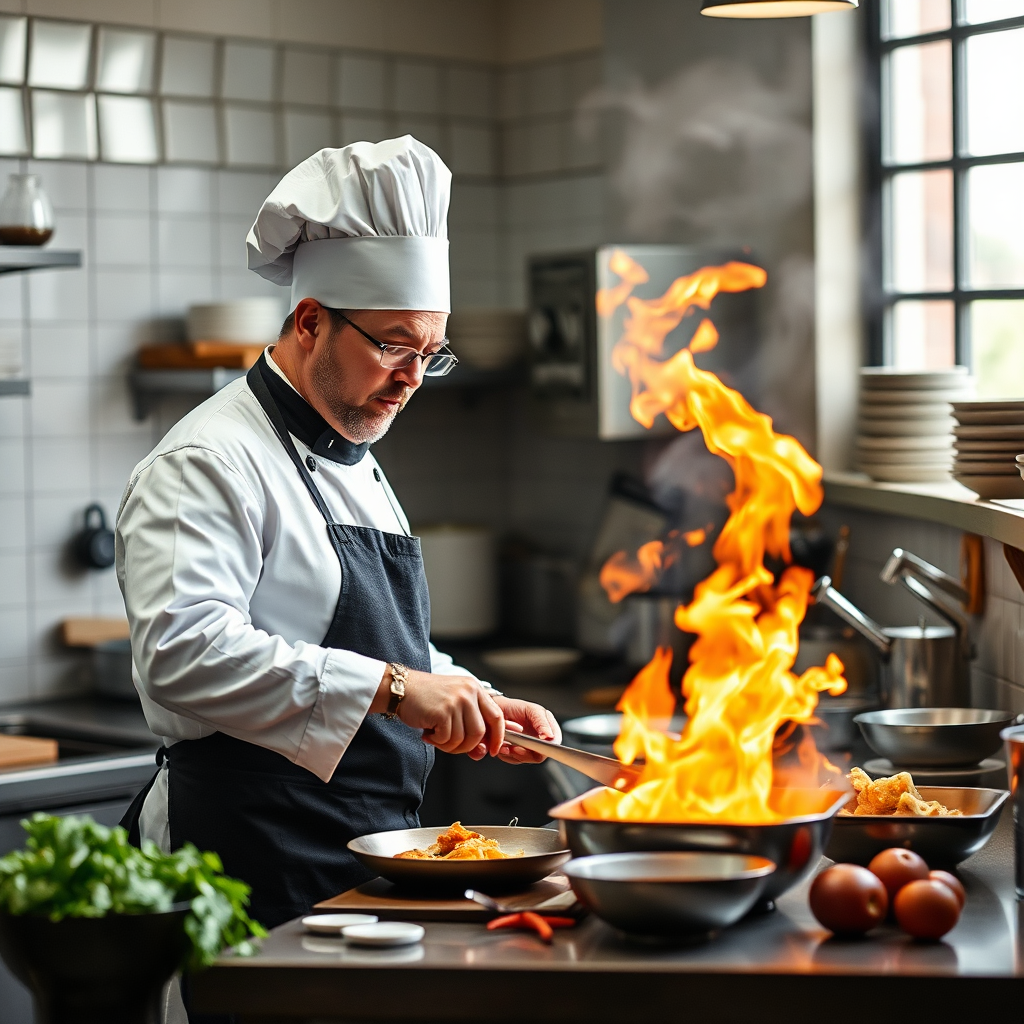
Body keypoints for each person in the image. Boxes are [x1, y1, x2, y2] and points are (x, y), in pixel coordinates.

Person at [116, 137, 561, 939]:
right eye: (395, 344)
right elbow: (182, 653)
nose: (414, 378)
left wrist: (474, 702)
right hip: (240, 862)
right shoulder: (207, 461)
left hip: (365, 860)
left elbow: (381, 648)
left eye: (432, 353)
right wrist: (397, 690)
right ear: (311, 321)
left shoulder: (356, 455)